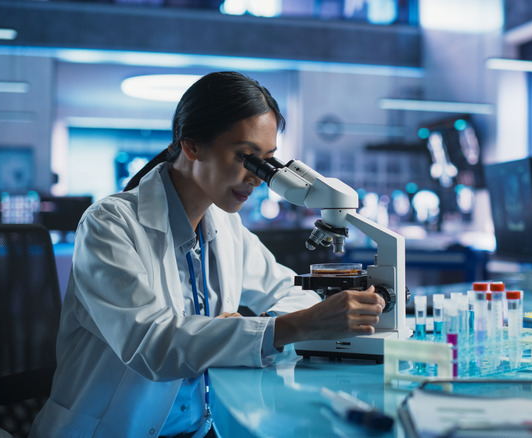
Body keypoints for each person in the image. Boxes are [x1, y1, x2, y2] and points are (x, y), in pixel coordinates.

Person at [29, 71, 385, 438]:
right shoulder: (110, 225)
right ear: (193, 146)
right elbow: (152, 343)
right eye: (247, 157)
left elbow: (291, 292)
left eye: (268, 161)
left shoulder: (226, 226)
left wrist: (257, 323)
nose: (258, 177)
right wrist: (282, 327)